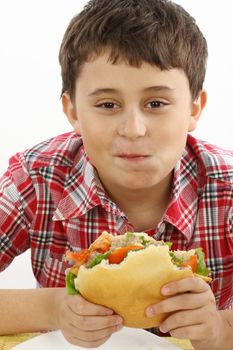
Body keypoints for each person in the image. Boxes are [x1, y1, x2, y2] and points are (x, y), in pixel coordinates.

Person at [0, 0, 232, 348]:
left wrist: (218, 330)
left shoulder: (227, 189)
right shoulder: (35, 178)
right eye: (108, 105)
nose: (134, 129)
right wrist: (54, 306)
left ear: (194, 109)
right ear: (73, 111)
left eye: (156, 104)